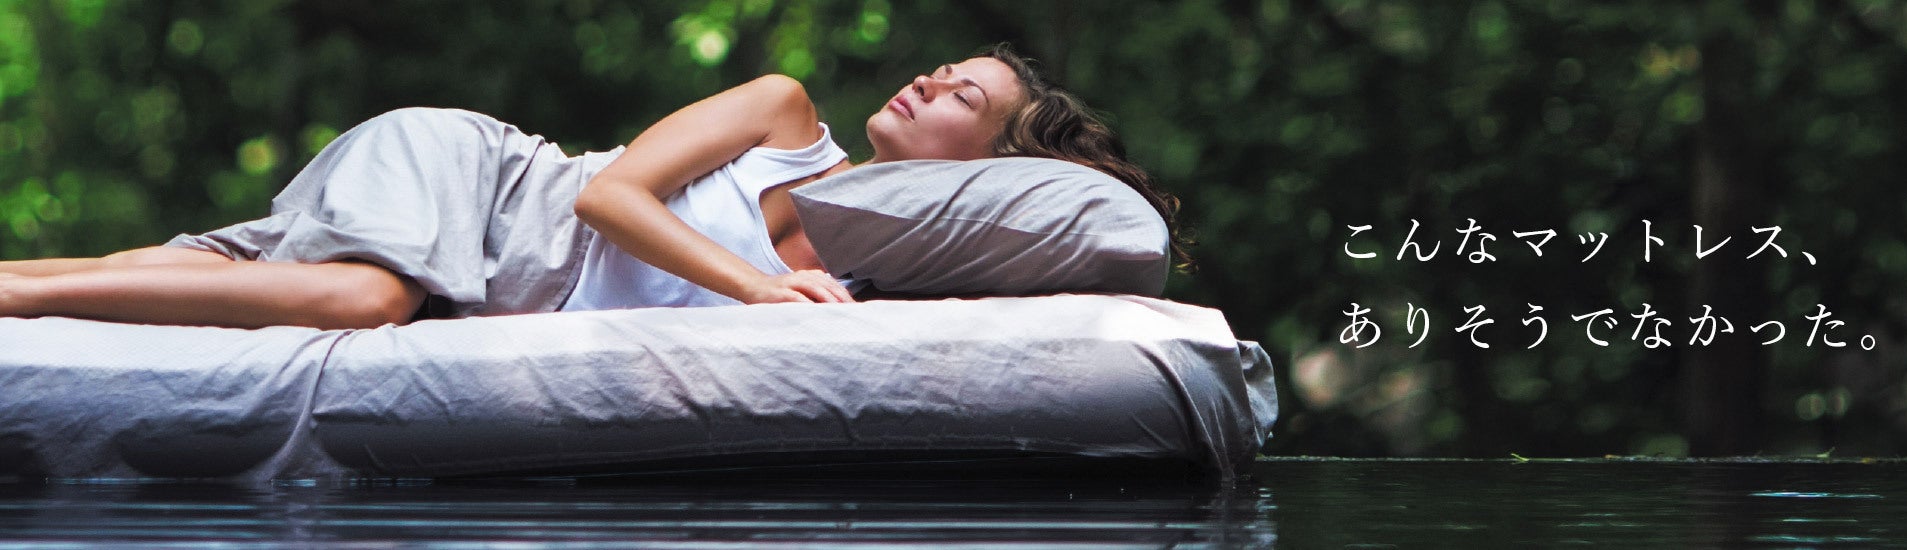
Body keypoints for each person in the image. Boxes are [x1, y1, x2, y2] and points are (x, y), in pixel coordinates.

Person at [0, 44, 1180, 330]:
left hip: (486, 276)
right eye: (942, 67)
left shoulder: (878, 288)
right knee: (361, 299)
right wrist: (758, 289)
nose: (927, 79)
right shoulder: (783, 115)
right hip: (485, 181)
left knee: (209, 267)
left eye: (962, 94)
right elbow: (606, 199)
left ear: (985, 172)